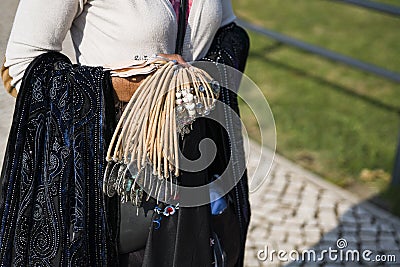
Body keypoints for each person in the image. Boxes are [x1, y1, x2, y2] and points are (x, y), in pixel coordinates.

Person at [0, 0, 251, 266]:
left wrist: (198, 82)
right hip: (112, 172)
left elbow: (229, 32)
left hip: (197, 160)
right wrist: (137, 87)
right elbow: (21, 66)